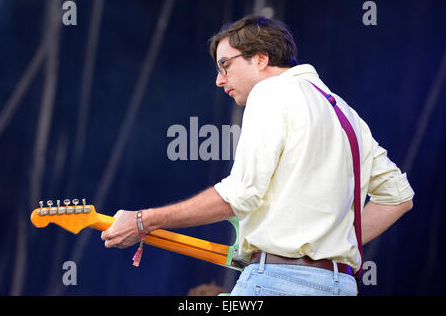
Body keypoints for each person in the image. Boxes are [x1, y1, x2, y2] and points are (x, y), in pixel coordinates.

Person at [101, 15, 414, 296]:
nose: (219, 80)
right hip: (342, 286)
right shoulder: (346, 113)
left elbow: (241, 195)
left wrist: (143, 221)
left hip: (277, 281)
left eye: (225, 66)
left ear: (261, 59)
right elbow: (398, 198)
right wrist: (331, 244)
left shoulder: (271, 92)